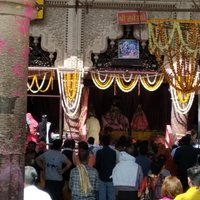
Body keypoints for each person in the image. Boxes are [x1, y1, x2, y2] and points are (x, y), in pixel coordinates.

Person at [95, 134, 116, 200]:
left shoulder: (99, 152)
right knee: (111, 195)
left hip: (101, 176)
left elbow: (97, 165)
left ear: (102, 142)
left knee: (102, 196)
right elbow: (113, 164)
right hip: (111, 176)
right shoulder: (113, 152)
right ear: (109, 142)